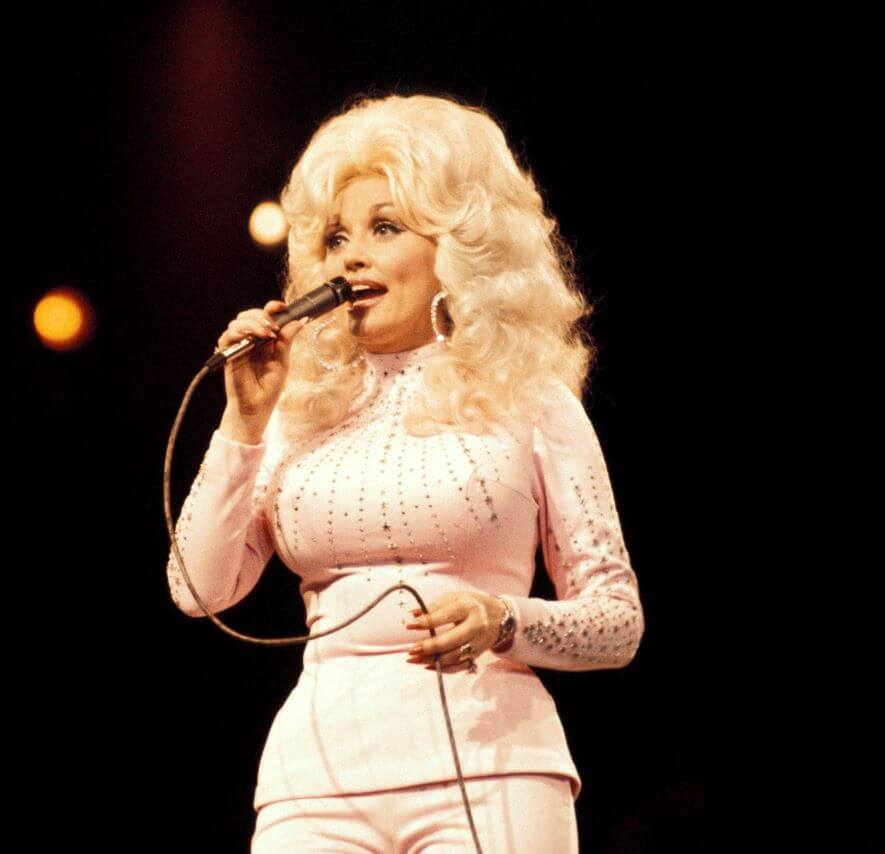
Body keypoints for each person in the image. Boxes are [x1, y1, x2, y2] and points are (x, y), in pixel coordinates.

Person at [166, 92, 644, 852]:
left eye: (384, 228)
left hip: (491, 767)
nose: (349, 256)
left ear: (455, 247)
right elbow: (198, 589)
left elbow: (616, 622)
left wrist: (505, 622)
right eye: (334, 237)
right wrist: (245, 422)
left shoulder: (530, 398)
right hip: (313, 782)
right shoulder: (295, 411)